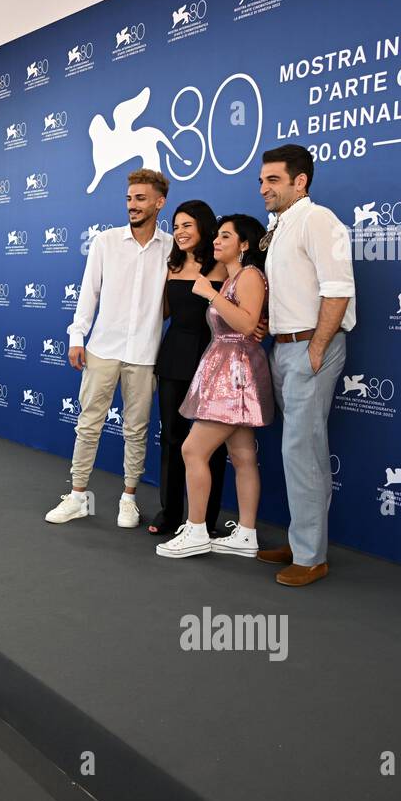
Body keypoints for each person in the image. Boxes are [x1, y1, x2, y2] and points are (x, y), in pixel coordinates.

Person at [45, 168, 172, 528]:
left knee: (136, 429)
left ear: (159, 203)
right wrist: (76, 335)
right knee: (88, 425)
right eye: (130, 198)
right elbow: (90, 293)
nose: (132, 205)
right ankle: (77, 496)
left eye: (141, 199)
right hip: (103, 348)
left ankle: (128, 499)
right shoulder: (105, 242)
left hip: (145, 353)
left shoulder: (172, 247)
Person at [255, 144, 356, 586]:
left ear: (301, 181)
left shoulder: (318, 219)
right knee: (297, 450)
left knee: (304, 451)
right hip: (285, 347)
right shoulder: (279, 226)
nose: (264, 188)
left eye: (273, 180)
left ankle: (312, 556)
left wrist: (316, 348)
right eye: (261, 180)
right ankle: (301, 544)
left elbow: (338, 290)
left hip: (310, 346)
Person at [157, 215, 274, 558]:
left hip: (234, 372)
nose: (217, 241)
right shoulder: (234, 278)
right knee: (242, 455)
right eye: (217, 236)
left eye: (226, 236)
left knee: (193, 450)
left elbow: (247, 323)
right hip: (228, 367)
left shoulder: (249, 275)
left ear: (245, 244)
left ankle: (195, 531)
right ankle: (247, 534)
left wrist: (209, 293)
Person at [149, 200, 229, 538]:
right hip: (173, 356)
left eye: (187, 226)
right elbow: (161, 312)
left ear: (204, 227)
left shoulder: (222, 266)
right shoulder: (171, 265)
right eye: (176, 226)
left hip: (211, 355)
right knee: (171, 437)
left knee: (212, 444)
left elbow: (240, 308)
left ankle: (205, 520)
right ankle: (170, 513)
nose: (180, 232)